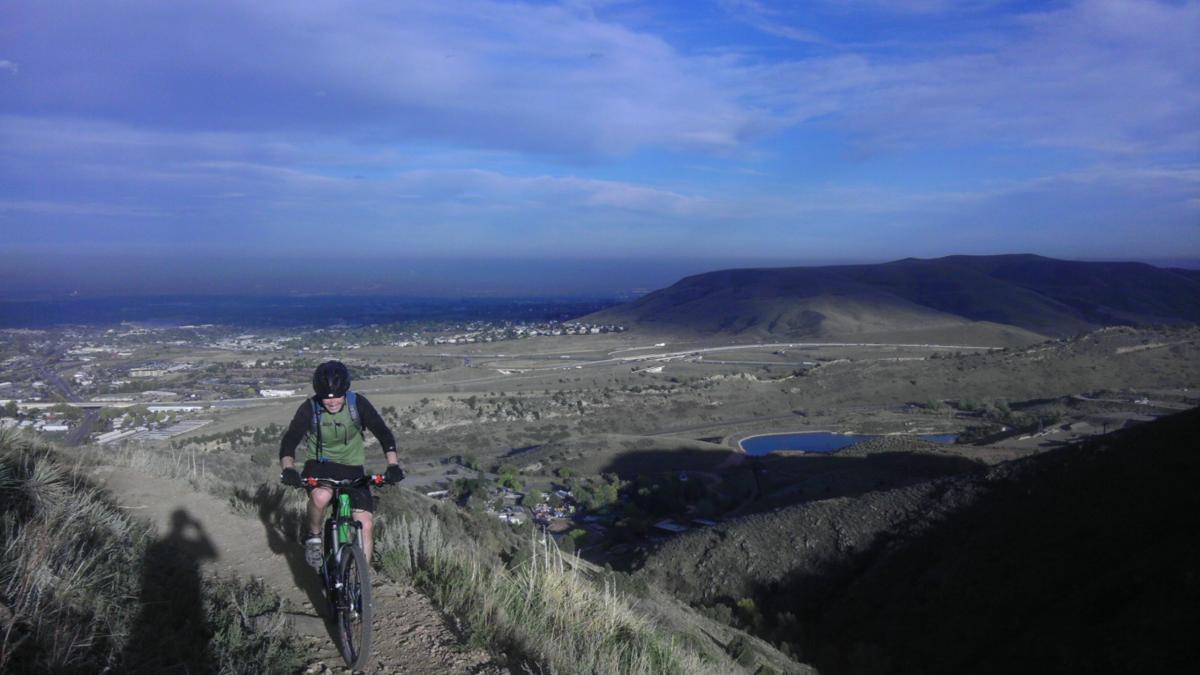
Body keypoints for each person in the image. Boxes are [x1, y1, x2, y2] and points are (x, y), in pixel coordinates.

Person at [278, 360, 404, 568]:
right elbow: (290, 439)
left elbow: (382, 432)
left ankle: (361, 578)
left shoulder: (357, 404)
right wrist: (288, 469)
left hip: (353, 468)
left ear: (345, 391)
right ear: (319, 395)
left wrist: (393, 465)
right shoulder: (310, 408)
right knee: (321, 496)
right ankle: (314, 538)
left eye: (337, 396)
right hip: (319, 465)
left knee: (365, 523)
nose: (333, 402)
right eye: (327, 399)